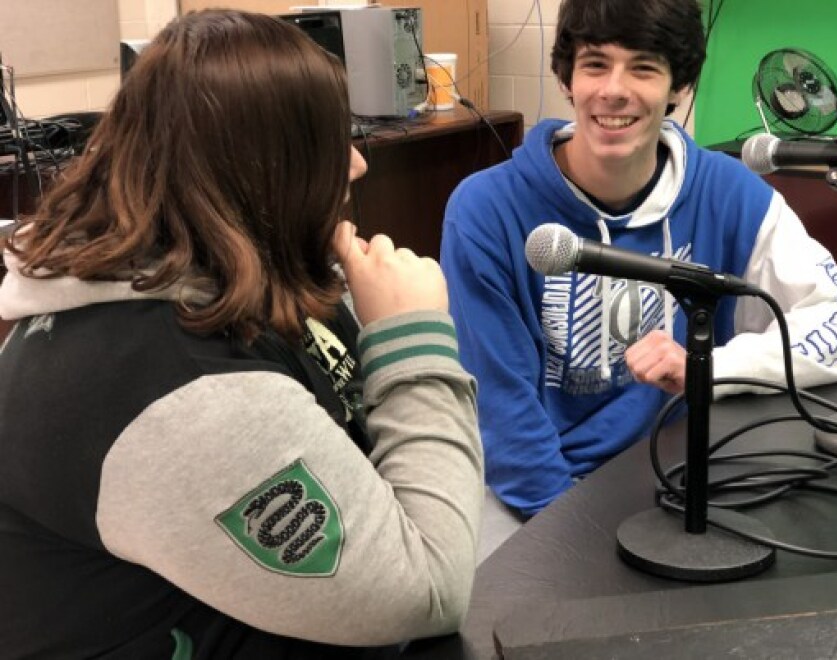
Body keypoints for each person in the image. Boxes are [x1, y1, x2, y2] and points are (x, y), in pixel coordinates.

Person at [0, 10, 483, 658]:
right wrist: (414, 341)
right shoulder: (179, 393)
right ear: (257, 171)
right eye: (326, 142)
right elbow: (429, 587)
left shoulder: (235, 274)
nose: (357, 166)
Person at [440, 0, 837, 519]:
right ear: (566, 78)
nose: (613, 90)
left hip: (687, 472)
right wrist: (574, 548)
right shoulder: (486, 211)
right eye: (596, 64)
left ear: (678, 86)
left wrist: (710, 368)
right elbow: (506, 423)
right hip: (544, 499)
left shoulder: (728, 191)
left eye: (644, 67)